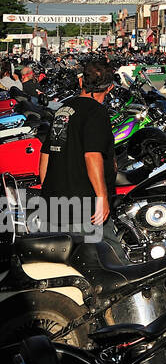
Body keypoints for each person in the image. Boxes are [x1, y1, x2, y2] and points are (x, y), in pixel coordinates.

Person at [39, 57, 115, 235]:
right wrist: (102, 198)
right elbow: (92, 155)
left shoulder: (62, 110)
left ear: (81, 81)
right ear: (110, 88)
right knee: (108, 257)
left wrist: (48, 190)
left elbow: (46, 154)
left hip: (54, 206)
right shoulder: (97, 113)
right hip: (83, 211)